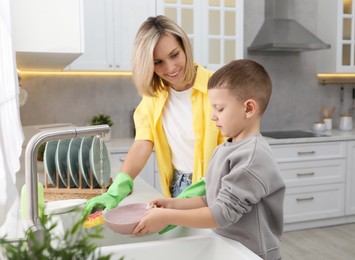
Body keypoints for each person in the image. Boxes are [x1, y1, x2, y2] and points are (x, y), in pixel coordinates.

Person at [133, 59, 286, 260]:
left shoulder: (251, 157)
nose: (213, 116)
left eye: (219, 109)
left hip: (253, 254)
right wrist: (171, 204)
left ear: (249, 108)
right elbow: (210, 200)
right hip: (229, 246)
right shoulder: (225, 148)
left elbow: (222, 214)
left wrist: (167, 217)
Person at [84, 15, 225, 214]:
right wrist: (118, 188)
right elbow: (143, 142)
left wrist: (205, 187)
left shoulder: (219, 87)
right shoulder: (153, 98)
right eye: (158, 62)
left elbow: (233, 148)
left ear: (185, 47)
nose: (170, 68)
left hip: (218, 186)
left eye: (174, 55)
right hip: (178, 188)